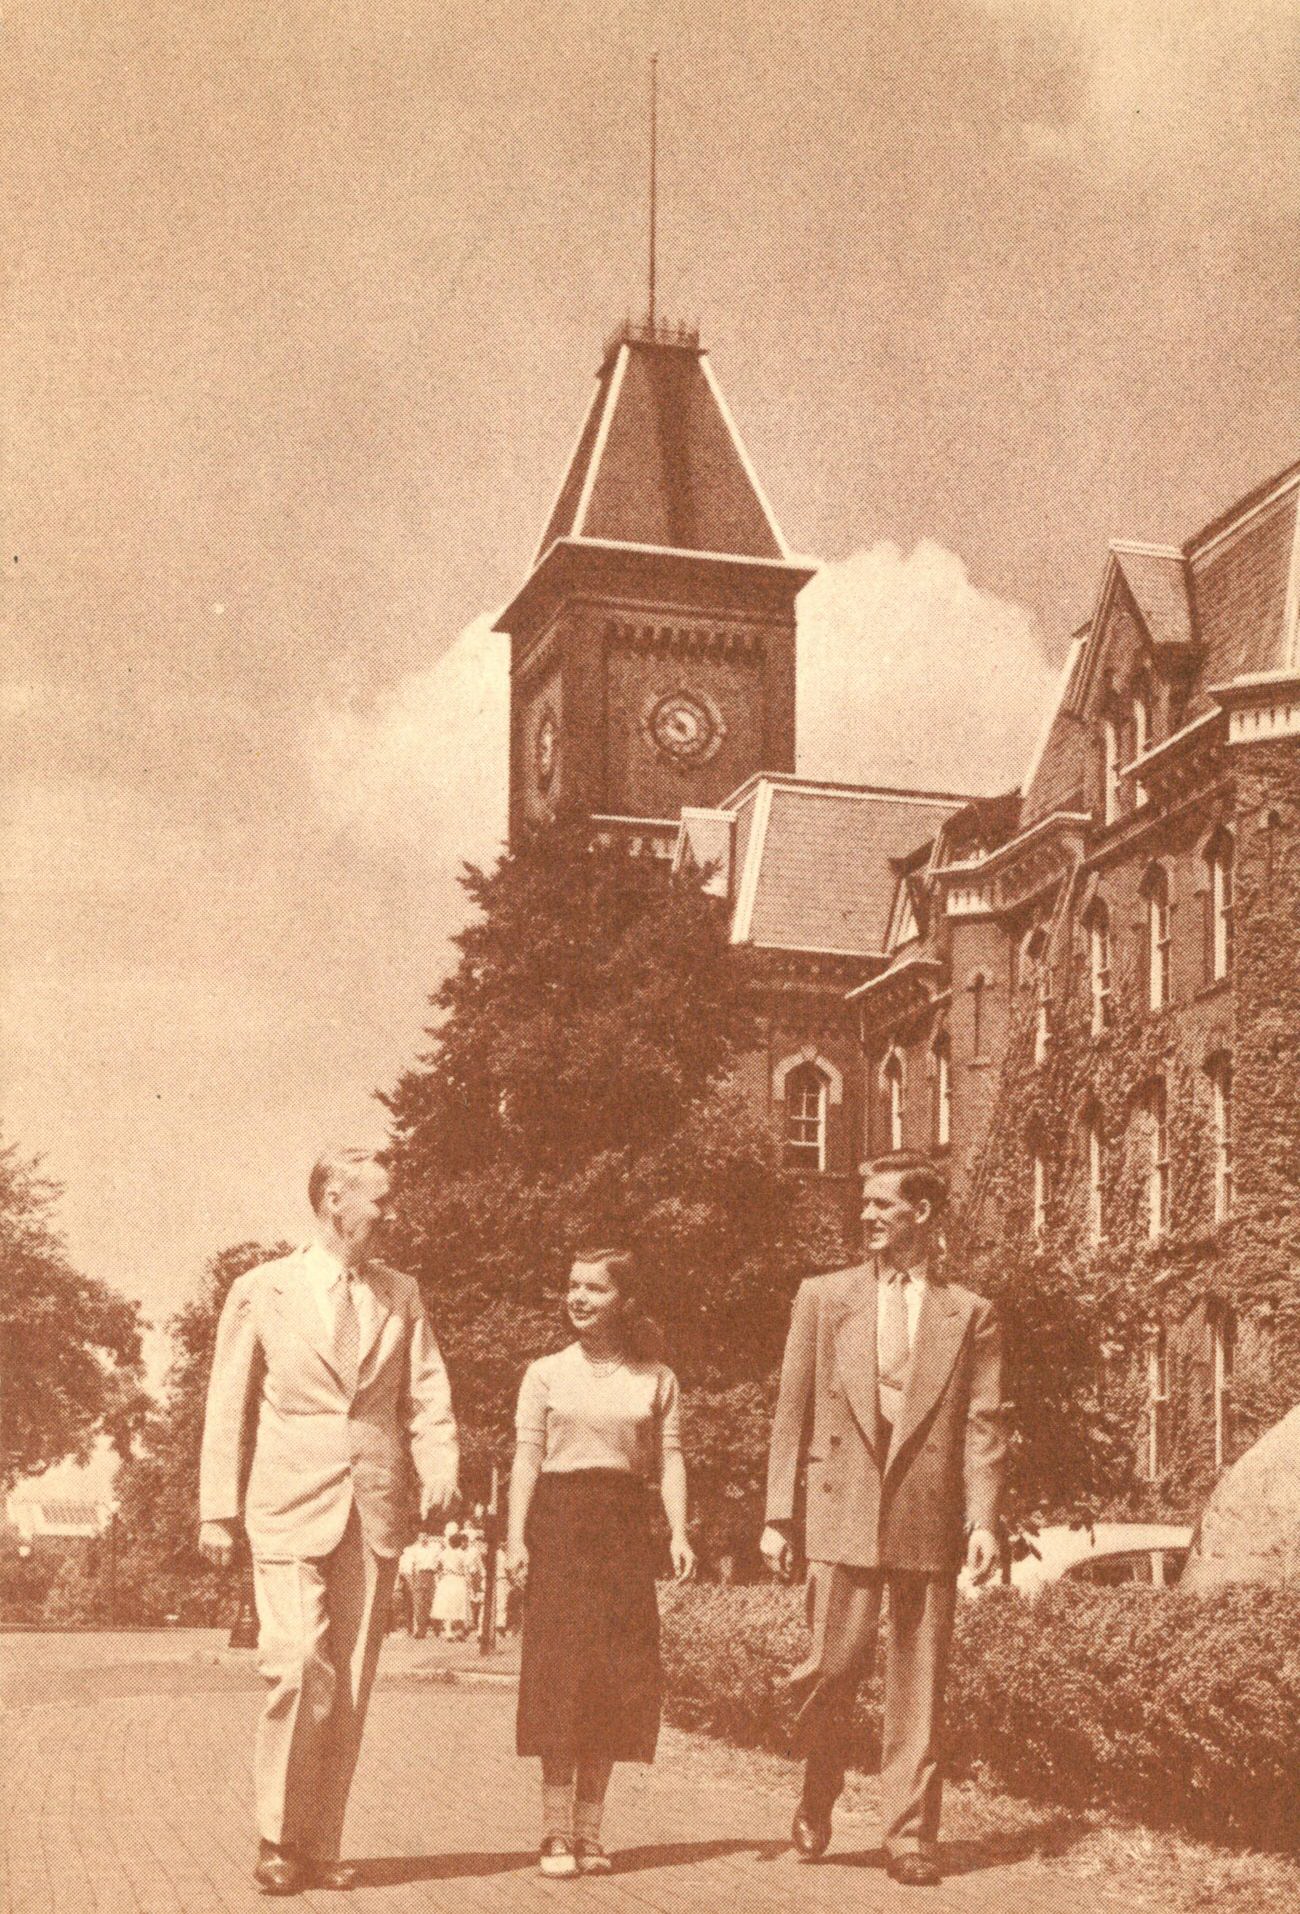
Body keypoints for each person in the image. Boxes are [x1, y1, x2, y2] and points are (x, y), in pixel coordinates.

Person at [198, 1147, 459, 1896]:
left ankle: (320, 1844)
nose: (391, 1212)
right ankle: (278, 1837)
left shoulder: (401, 1292)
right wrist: (217, 1509)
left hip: (373, 1507)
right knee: (294, 1664)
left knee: (347, 1685)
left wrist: (439, 1462)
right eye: (381, 1198)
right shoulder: (263, 1288)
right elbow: (227, 1402)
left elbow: (427, 1392)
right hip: (284, 1504)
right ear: (334, 1200)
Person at [762, 1152, 1004, 1888]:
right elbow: (791, 1411)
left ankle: (907, 1835)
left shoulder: (972, 1312)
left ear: (921, 1215)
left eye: (882, 1204)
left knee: (918, 1687)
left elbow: (985, 1424)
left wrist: (984, 1520)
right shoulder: (822, 1297)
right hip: (839, 1512)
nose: (866, 1214)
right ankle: (819, 1779)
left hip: (928, 1519)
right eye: (864, 1203)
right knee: (832, 1670)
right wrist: (779, 1514)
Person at [507, 1247, 695, 1879]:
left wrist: (677, 1532)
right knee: (561, 1673)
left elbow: (669, 1460)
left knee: (615, 1677)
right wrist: (515, 1539)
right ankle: (555, 1832)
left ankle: (591, 1831)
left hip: (623, 1530)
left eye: (594, 1289)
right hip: (558, 1526)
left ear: (625, 1300)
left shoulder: (657, 1377)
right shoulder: (545, 1373)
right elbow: (526, 1461)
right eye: (572, 1286)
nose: (578, 1299)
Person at [433, 1528, 473, 1640]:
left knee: (447, 1606)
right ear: (460, 1542)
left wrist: (441, 1574)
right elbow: (467, 1570)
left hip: (446, 1580)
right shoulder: (462, 1554)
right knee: (459, 1606)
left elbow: (436, 1566)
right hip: (458, 1580)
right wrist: (470, 1584)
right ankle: (459, 1631)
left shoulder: (444, 1553)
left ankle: (448, 1631)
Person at [409, 1526, 443, 1640]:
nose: (423, 1538)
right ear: (418, 1537)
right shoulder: (414, 1549)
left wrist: (439, 1576)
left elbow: (440, 1562)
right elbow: (412, 1566)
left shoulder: (435, 1548)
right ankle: (421, 1631)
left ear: (428, 1537)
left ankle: (437, 1628)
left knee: (432, 1602)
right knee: (419, 1604)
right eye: (421, 1536)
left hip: (431, 1575)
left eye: (425, 1536)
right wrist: (413, 1581)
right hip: (420, 1575)